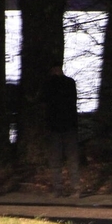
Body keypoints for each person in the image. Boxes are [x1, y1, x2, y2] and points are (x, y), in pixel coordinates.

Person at [41, 63, 81, 198]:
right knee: (70, 159)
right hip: (68, 126)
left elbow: (44, 99)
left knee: (57, 160)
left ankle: (60, 189)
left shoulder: (50, 85)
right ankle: (73, 188)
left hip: (56, 127)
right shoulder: (70, 83)